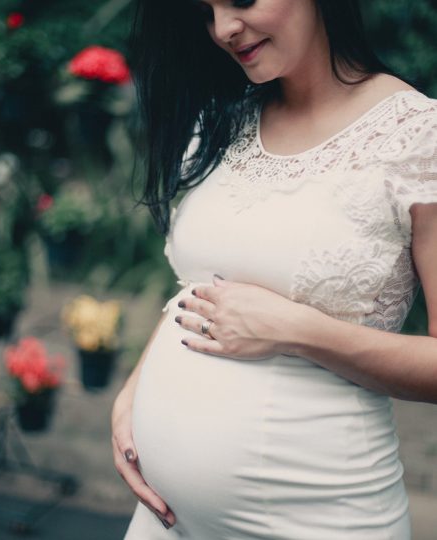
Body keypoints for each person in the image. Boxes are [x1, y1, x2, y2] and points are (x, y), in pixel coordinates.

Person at [112, 0, 437, 537]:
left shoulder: (419, 138)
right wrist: (134, 390)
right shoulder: (223, 121)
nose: (222, 29)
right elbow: (197, 288)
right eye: (206, 10)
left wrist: (296, 330)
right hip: (165, 521)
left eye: (240, 0)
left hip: (316, 517)